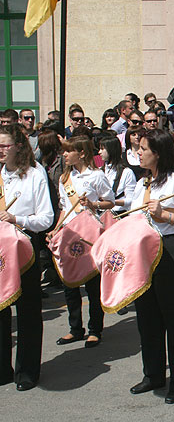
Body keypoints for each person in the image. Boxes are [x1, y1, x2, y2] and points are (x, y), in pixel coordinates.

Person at [128, 129, 174, 404]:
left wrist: (165, 215)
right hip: (144, 254)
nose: (138, 153)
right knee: (147, 318)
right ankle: (154, 374)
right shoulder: (142, 183)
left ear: (157, 153)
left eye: (143, 149)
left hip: (173, 251)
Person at [0, 125, 54, 391]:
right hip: (0, 248)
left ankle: (27, 371)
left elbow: (46, 218)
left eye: (4, 145)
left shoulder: (34, 175)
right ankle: (2, 368)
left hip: (25, 245)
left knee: (28, 309)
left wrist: (16, 219)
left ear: (19, 147)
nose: (0, 150)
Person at [54, 136, 115, 349]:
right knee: (69, 283)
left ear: (81, 153)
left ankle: (94, 330)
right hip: (69, 233)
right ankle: (75, 329)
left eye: (68, 151)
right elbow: (64, 208)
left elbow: (111, 201)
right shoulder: (64, 178)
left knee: (91, 284)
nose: (64, 154)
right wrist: (55, 229)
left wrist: (93, 203)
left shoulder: (96, 176)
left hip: (89, 233)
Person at [98, 136, 137, 215]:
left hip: (119, 214)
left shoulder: (127, 172)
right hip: (100, 214)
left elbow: (131, 199)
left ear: (111, 150)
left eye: (102, 149)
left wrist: (112, 202)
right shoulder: (99, 171)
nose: (99, 152)